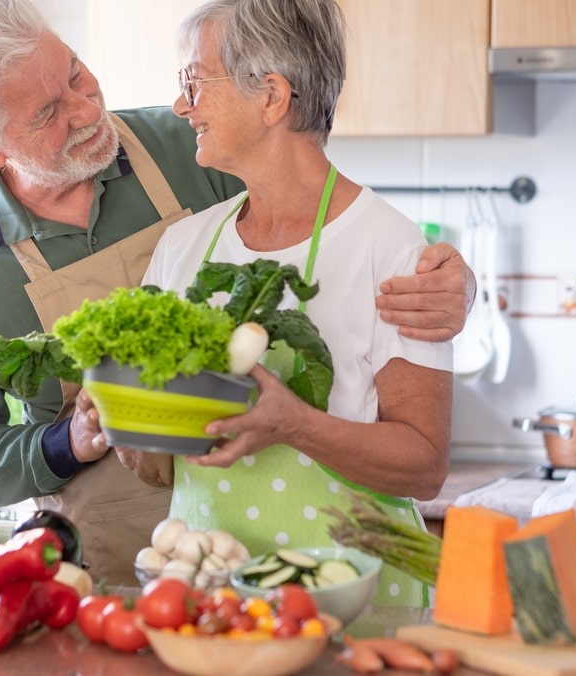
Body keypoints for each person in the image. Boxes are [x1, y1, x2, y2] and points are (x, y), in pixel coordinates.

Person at [0, 0, 468, 585]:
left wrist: (447, 281)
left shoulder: (191, 148)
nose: (86, 107)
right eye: (47, 112)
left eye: (74, 72)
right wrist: (66, 442)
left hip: (323, 571)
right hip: (126, 564)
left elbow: (325, 216)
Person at [129, 0, 452, 605]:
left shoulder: (392, 250)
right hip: (210, 604)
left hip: (356, 610)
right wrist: (125, 426)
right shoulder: (184, 247)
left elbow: (426, 466)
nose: (181, 106)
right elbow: (157, 468)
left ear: (272, 97)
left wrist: (297, 426)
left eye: (195, 81)